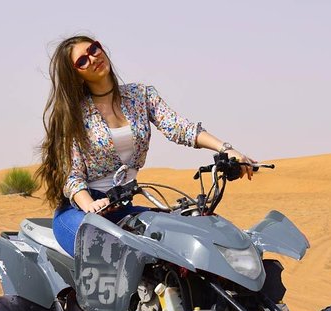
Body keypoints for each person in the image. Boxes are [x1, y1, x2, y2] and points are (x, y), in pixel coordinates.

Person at [36, 35, 255, 256]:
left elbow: (180, 128)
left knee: (184, 237)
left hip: (123, 206)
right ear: (77, 76)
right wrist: (90, 206)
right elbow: (72, 177)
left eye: (93, 49)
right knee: (102, 249)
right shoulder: (74, 115)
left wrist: (226, 149)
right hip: (81, 212)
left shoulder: (140, 96)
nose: (92, 58)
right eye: (82, 61)